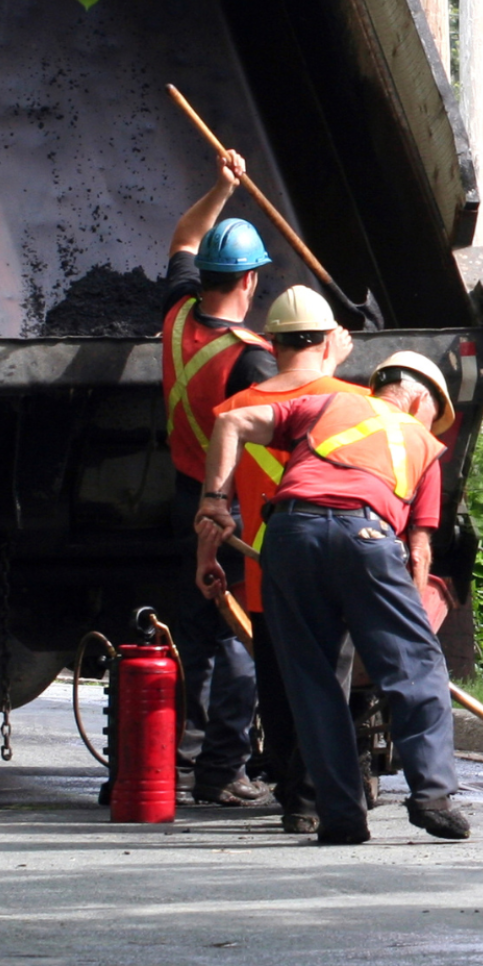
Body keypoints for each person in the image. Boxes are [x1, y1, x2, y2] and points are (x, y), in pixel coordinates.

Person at [195, 352, 467, 845]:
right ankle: (431, 796)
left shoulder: (323, 406)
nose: (434, 427)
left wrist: (216, 502)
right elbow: (418, 550)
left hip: (288, 538)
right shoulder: (424, 445)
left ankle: (340, 817)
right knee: (417, 668)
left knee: (313, 684)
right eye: (435, 416)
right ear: (419, 397)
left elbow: (231, 421)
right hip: (365, 535)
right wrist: (409, 625)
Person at [202, 284, 363, 834]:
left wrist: (208, 558)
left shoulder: (237, 410)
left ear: (270, 346)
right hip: (335, 563)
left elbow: (213, 504)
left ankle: (293, 795)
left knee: (279, 685)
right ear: (325, 342)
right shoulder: (351, 401)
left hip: (265, 570)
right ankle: (314, 798)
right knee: (329, 681)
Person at [160, 149, 274, 806]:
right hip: (226, 511)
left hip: (182, 493)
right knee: (238, 641)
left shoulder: (176, 316)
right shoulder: (252, 364)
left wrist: (221, 188)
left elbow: (184, 236)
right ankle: (222, 771)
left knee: (195, 636)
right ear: (252, 282)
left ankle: (180, 762)